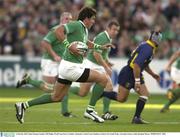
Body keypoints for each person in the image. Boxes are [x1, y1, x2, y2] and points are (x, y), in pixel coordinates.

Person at [15, 7, 112, 124]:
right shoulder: (76, 25)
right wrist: (68, 45)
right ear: (86, 19)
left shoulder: (83, 29)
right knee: (103, 78)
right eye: (92, 19)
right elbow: (58, 31)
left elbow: (87, 43)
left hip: (66, 67)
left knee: (56, 97)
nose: (94, 21)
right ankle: (90, 110)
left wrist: (99, 47)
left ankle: (23, 105)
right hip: (71, 67)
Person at [16, 12, 75, 117]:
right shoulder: (56, 29)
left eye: (70, 19)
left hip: (59, 63)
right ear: (61, 20)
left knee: (64, 85)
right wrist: (55, 55)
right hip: (50, 61)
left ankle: (65, 112)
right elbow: (44, 43)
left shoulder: (68, 32)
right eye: (66, 19)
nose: (69, 21)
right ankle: (29, 80)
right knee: (50, 88)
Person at [100, 30, 162, 124]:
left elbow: (143, 64)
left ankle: (136, 118)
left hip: (135, 72)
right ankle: (101, 93)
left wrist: (153, 74)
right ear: (155, 40)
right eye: (159, 39)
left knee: (144, 94)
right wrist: (137, 81)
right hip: (129, 72)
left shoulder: (148, 46)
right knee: (121, 99)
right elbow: (136, 65)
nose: (160, 41)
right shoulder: (148, 48)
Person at [82, 20, 120, 120]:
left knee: (108, 86)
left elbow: (103, 54)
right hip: (92, 64)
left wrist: (108, 62)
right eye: (114, 29)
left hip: (96, 65)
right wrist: (106, 67)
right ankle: (66, 91)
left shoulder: (109, 38)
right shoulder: (102, 37)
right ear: (108, 28)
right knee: (83, 92)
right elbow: (96, 54)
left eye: (117, 30)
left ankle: (105, 112)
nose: (115, 32)